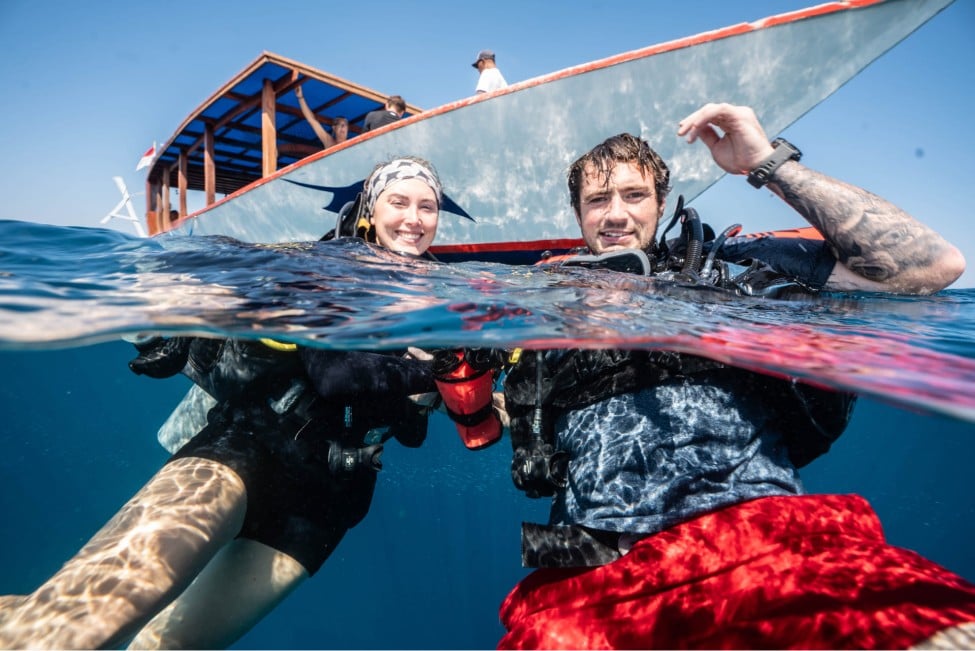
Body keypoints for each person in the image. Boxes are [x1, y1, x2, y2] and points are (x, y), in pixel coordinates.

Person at [491, 103, 975, 649]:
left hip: (759, 535)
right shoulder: (546, 303)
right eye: (598, 200)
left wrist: (768, 164)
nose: (616, 215)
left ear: (664, 202)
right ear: (578, 216)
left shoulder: (729, 269)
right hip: (591, 567)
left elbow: (934, 268)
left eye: (634, 195)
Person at [0, 157, 447, 650]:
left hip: (328, 505)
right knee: (66, 629)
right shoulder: (335, 265)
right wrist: (434, 369)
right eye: (399, 202)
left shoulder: (444, 293)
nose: (414, 218)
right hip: (245, 451)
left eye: (427, 206)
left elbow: (415, 420)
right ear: (370, 208)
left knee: (165, 647)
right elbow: (335, 373)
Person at [295, 85, 348, 150]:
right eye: (340, 124)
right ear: (334, 128)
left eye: (345, 125)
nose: (343, 127)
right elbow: (312, 121)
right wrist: (300, 97)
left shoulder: (354, 145)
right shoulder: (329, 142)